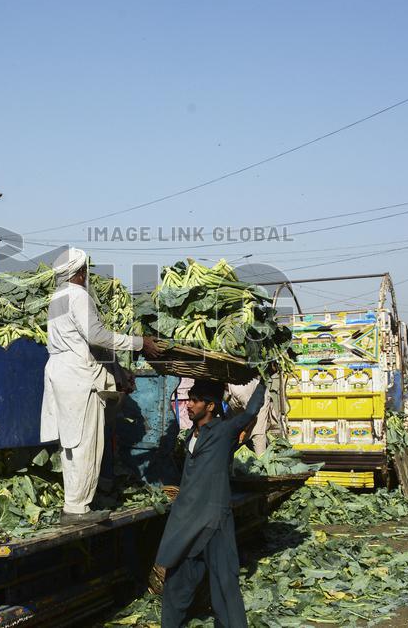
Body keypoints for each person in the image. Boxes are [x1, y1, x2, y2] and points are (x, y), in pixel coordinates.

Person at [40, 248, 160, 525]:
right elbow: (96, 335)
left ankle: (74, 502)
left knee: (71, 443)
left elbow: (87, 341)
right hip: (78, 377)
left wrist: (118, 369)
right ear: (81, 272)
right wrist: (140, 343)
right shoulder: (78, 295)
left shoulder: (56, 298)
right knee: (86, 442)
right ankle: (78, 509)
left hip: (61, 373)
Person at [156, 379, 265, 628]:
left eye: (195, 400)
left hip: (214, 521)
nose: (189, 404)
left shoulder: (224, 432)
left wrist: (264, 379)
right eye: (189, 399)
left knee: (224, 583)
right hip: (188, 521)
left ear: (211, 406)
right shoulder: (190, 436)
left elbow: (250, 411)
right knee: (176, 582)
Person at [224, 374, 281, 455]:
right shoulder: (223, 390)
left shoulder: (240, 390)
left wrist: (244, 431)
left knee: (257, 434)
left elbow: (252, 414)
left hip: (259, 402)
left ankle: (262, 461)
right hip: (240, 405)